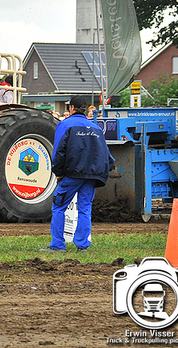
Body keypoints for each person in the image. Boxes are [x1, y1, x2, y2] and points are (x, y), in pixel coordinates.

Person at [39, 96, 114, 254]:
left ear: (72, 108)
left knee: (59, 206)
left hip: (72, 175)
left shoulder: (65, 124)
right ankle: (82, 246)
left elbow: (59, 151)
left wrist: (58, 173)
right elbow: (108, 156)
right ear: (86, 109)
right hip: (92, 176)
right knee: (85, 208)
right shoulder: (96, 128)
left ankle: (58, 245)